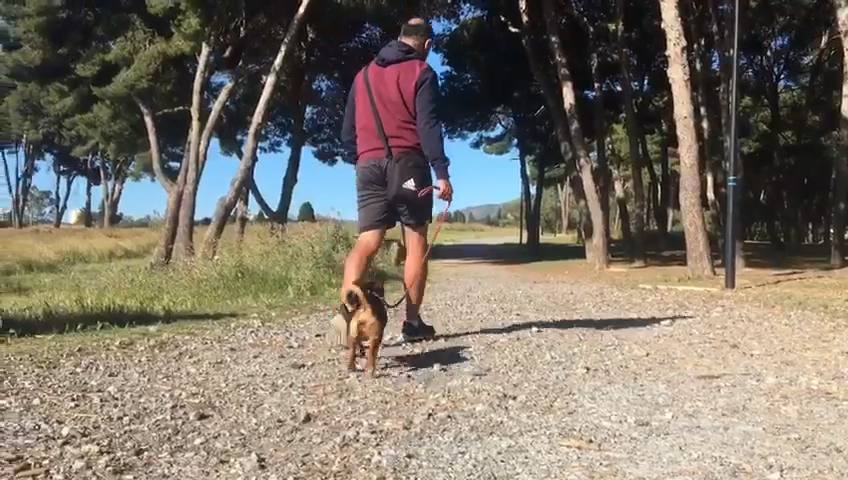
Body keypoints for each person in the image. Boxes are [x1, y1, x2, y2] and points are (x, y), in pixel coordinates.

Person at [339, 17, 453, 341]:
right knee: (415, 242)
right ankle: (413, 324)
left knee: (367, 241)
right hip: (409, 166)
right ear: (427, 45)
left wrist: (359, 160)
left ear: (400, 37)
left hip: (368, 165)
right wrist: (441, 173)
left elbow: (347, 132)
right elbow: (428, 127)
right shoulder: (422, 72)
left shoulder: (362, 76)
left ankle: (348, 320)